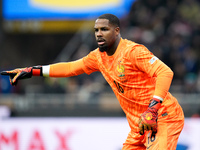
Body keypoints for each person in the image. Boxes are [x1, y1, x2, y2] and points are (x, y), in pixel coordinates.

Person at [1, 14, 184, 150]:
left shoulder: (132, 52)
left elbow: (165, 71)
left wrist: (152, 108)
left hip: (162, 116)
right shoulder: (97, 57)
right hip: (139, 124)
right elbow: (70, 68)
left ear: (117, 31)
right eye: (96, 30)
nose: (98, 34)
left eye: (104, 29)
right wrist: (32, 71)